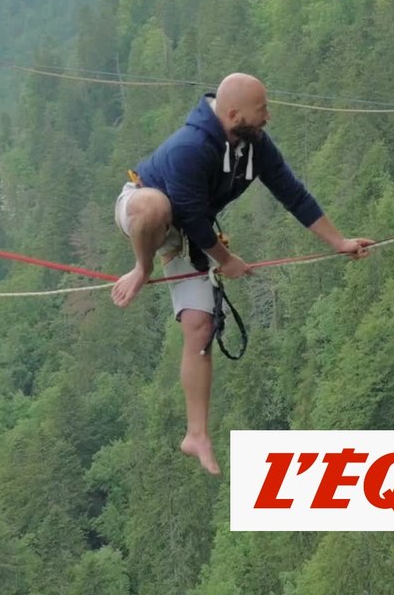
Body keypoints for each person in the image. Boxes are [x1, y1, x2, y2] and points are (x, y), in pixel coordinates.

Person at [111, 72, 374, 475]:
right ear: (233, 114)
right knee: (154, 207)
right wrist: (225, 261)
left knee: (199, 329)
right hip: (146, 214)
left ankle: (196, 435)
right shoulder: (190, 147)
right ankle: (141, 267)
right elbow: (194, 217)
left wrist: (338, 242)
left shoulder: (254, 146)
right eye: (262, 110)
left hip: (190, 229)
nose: (268, 116)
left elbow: (293, 193)